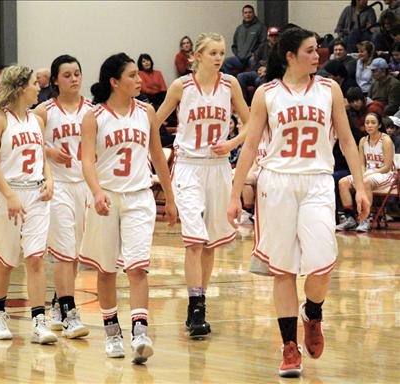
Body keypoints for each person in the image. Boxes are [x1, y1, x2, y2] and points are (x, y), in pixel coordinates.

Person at [227, 27, 369, 378]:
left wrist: (362, 186)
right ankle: (289, 347)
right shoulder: (267, 94)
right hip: (277, 184)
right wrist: (233, 194)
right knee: (284, 270)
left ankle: (314, 312)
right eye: (309, 50)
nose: (317, 55)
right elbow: (249, 146)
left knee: (322, 264)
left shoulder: (329, 89)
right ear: (290, 55)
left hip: (318, 181)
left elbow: (348, 142)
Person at [79, 53, 177, 363]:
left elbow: (158, 157)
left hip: (138, 197)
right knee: (106, 269)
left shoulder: (147, 112)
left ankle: (140, 331)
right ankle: (111, 333)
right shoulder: (94, 116)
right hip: (106, 197)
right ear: (114, 81)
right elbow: (87, 160)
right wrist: (95, 192)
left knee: (138, 267)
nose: (139, 80)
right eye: (133, 75)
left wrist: (170, 198)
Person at [156, 32, 250, 338]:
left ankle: (201, 300)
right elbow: (153, 123)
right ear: (197, 56)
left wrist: (232, 142)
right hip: (189, 167)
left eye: (221, 52)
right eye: (212, 52)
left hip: (219, 167)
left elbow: (250, 124)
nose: (219, 58)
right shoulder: (181, 86)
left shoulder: (230, 84)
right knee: (194, 240)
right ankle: (195, 308)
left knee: (209, 243)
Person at [0, 65, 57, 344]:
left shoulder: (37, 120)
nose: (39, 87)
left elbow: (41, 155)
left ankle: (39, 322)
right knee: (6, 261)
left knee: (35, 259)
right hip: (6, 193)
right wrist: (9, 194)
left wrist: (49, 179)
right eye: (35, 83)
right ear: (22, 87)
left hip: (36, 195)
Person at [34, 55, 91, 339]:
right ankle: (70, 313)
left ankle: (58, 302)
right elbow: (26, 142)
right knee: (64, 253)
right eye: (67, 75)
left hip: (85, 187)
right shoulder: (44, 111)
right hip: (57, 186)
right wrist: (49, 152)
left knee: (76, 253)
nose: (74, 79)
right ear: (55, 80)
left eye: (77, 73)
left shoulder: (93, 111)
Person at [337, 112, 396, 232]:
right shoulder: (363, 141)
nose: (369, 125)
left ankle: (366, 219)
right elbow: (361, 164)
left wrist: (369, 174)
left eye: (373, 122)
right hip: (369, 174)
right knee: (343, 182)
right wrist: (362, 173)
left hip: (387, 174)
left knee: (365, 182)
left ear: (379, 125)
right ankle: (350, 219)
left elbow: (388, 167)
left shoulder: (386, 140)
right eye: (367, 122)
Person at [222, 4, 267, 74]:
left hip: (253, 58)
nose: (247, 14)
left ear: (253, 13)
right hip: (239, 59)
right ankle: (232, 81)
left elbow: (263, 44)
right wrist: (238, 54)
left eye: (250, 12)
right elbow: (234, 45)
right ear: (243, 14)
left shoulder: (261, 27)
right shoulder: (239, 29)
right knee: (224, 62)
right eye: (245, 13)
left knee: (253, 62)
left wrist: (254, 54)